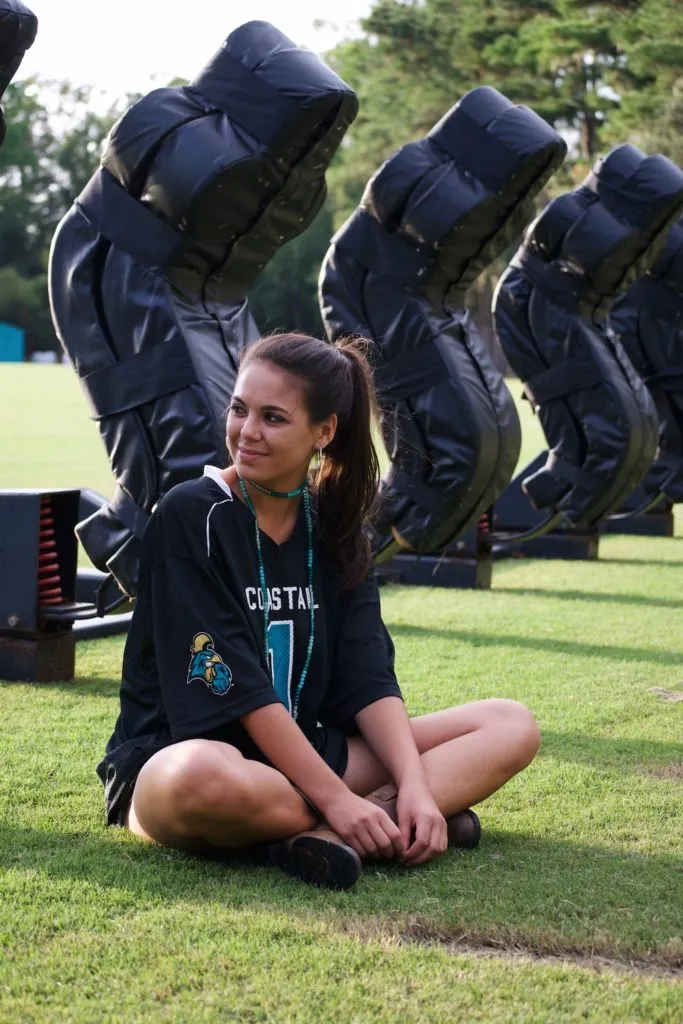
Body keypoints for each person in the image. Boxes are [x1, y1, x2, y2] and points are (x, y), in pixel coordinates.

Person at [97, 332, 540, 890]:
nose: (246, 432)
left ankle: (345, 828)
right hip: (187, 761)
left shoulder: (335, 526)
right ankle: (365, 819)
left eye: (273, 418)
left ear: (323, 431)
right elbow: (239, 693)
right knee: (197, 777)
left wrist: (417, 782)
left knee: (510, 724)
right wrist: (337, 797)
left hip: (307, 755)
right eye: (239, 409)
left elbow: (369, 678)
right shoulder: (192, 516)